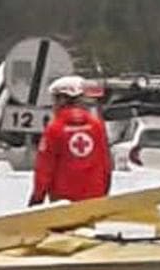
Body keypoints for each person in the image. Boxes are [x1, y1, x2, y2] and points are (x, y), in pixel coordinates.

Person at [31, 77, 112, 206]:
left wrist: (37, 197)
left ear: (62, 100)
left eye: (55, 99)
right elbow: (106, 163)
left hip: (63, 200)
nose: (53, 105)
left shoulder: (55, 128)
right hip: (94, 198)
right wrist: (105, 190)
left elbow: (45, 168)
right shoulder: (96, 125)